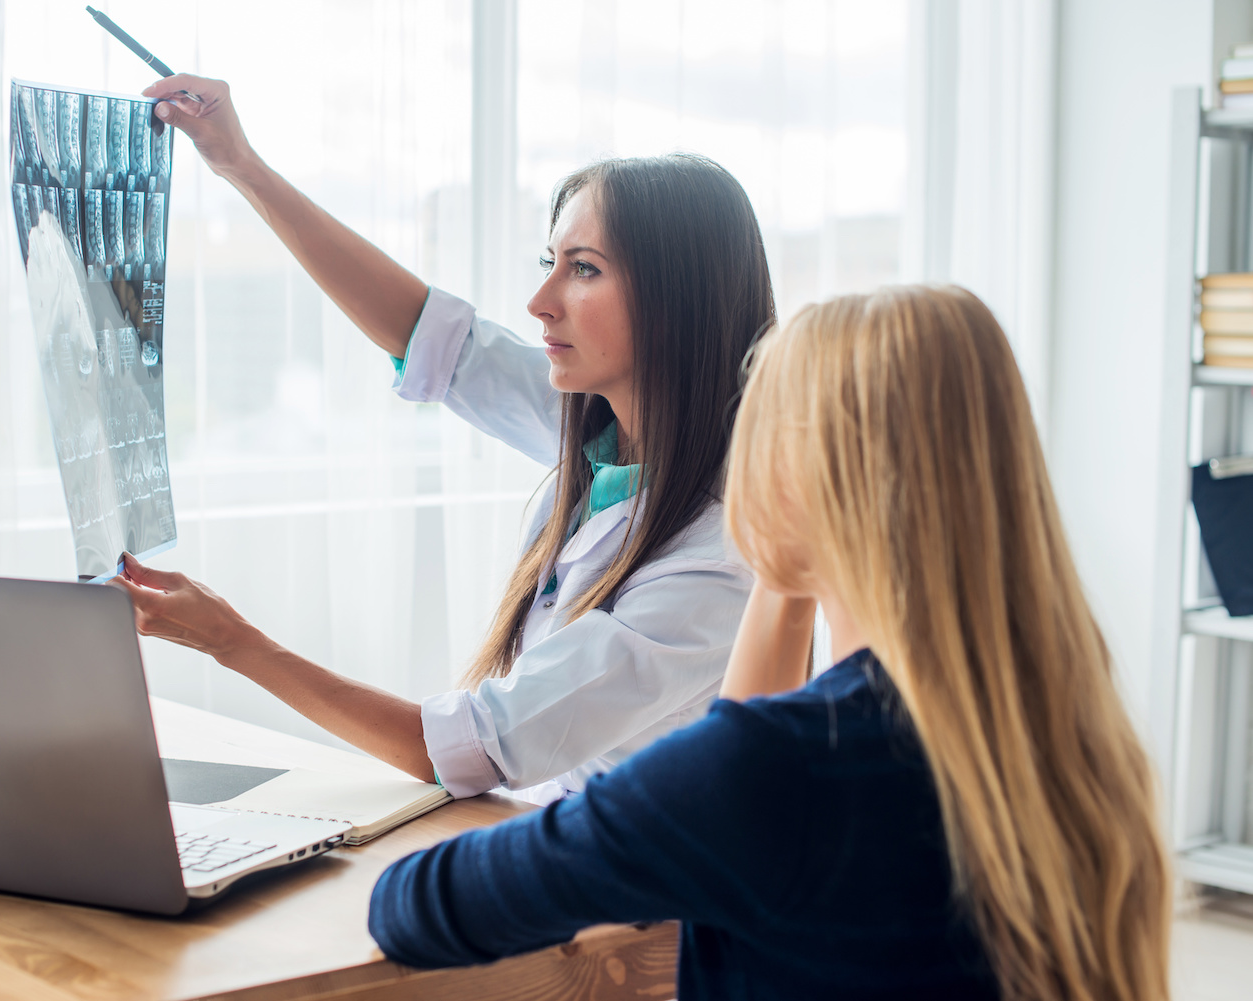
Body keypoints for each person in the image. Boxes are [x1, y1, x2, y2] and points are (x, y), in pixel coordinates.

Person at [368, 286, 1173, 1001]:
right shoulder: (1065, 735)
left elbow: (419, 907)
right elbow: (737, 778)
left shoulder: (785, 768)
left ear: (795, 482)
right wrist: (786, 575)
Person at [111, 75, 805, 799]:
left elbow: (467, 748)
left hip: (647, 900)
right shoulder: (605, 431)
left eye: (584, 270)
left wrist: (232, 641)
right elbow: (433, 337)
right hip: (554, 839)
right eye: (551, 263)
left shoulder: (717, 560)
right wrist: (239, 164)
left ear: (678, 301)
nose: (541, 304)